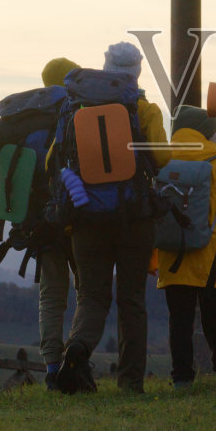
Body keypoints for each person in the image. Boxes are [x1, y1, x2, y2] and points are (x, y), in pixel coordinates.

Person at [60, 41, 171, 394]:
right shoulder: (145, 109)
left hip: (86, 215)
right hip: (134, 218)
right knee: (132, 301)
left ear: (105, 68)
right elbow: (162, 159)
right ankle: (130, 383)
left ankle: (77, 349)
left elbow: (56, 158)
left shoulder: (74, 107)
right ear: (137, 72)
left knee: (92, 296)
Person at [152, 106, 216, 390]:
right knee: (214, 318)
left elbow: (155, 214)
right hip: (211, 258)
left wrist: (152, 260)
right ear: (206, 133)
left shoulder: (162, 162)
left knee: (179, 320)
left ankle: (181, 378)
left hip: (173, 256)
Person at [36, 56, 81, 391]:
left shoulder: (27, 120)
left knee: (51, 296)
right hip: (79, 219)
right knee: (88, 292)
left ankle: (52, 366)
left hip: (42, 224)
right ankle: (77, 363)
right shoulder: (82, 113)